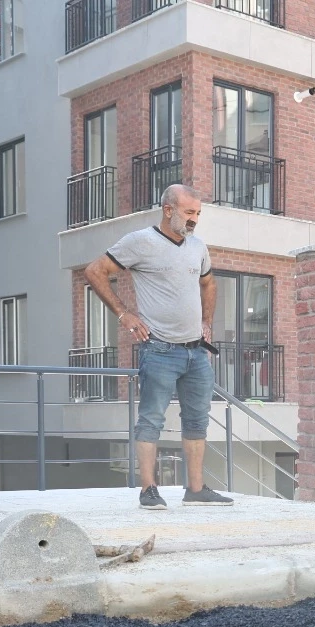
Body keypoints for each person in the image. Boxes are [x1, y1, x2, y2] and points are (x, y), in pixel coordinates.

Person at [84, 184, 232, 510]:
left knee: (197, 420)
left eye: (197, 214)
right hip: (160, 350)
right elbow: (95, 271)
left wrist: (207, 322)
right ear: (168, 209)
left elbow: (208, 282)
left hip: (196, 352)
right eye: (188, 212)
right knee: (151, 419)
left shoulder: (197, 247)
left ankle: (195, 489)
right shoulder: (141, 242)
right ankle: (148, 489)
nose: (194, 220)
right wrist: (124, 314)